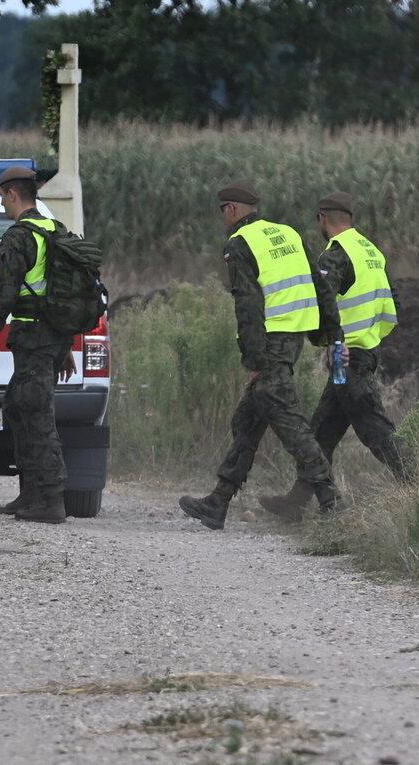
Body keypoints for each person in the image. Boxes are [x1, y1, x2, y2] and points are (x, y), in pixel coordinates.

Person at [178, 184, 341, 530]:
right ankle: (218, 502)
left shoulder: (239, 244)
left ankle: (332, 502)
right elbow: (319, 285)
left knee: (292, 426)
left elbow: (248, 306)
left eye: (224, 209)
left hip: (270, 343)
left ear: (233, 210)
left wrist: (254, 361)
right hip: (294, 337)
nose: (223, 216)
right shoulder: (287, 233)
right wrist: (329, 334)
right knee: (247, 421)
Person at [259, 192, 403, 523]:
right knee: (322, 431)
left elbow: (322, 300)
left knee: (376, 432)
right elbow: (392, 303)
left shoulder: (336, 255)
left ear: (323, 219)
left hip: (347, 359)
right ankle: (297, 502)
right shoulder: (371, 251)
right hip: (360, 353)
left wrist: (333, 341)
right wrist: (367, 341)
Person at [0, 164, 71, 524]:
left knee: (37, 414)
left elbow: (4, 297)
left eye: (2, 197)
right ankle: (31, 492)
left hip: (33, 338)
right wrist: (65, 345)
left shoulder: (18, 237)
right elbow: (65, 294)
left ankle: (50, 499)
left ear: (12, 193)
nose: (2, 205)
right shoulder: (57, 230)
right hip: (50, 338)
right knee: (17, 405)